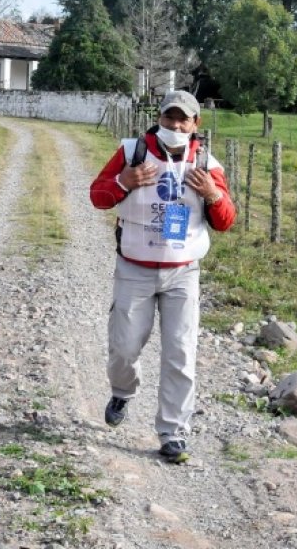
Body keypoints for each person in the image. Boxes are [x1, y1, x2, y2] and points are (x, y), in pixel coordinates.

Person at [89, 90, 236, 463]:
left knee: (181, 354)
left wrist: (213, 195)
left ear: (195, 124)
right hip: (135, 268)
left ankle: (173, 432)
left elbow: (226, 220)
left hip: (183, 274)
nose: (175, 125)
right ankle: (122, 391)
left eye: (183, 119)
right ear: (159, 118)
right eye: (169, 118)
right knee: (124, 347)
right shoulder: (131, 153)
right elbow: (98, 196)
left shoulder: (205, 162)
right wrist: (124, 181)